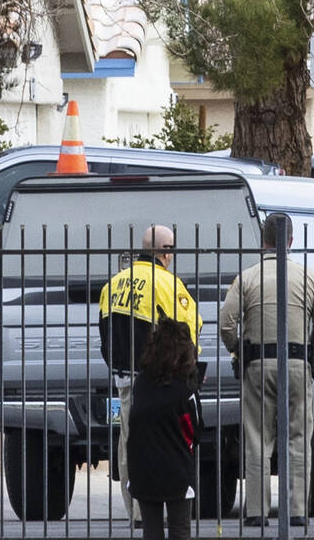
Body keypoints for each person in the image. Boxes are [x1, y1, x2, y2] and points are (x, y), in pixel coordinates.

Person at [219, 212, 314, 527]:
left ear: (263, 241)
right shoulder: (310, 278)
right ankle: (296, 510)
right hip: (296, 362)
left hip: (257, 362)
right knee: (298, 435)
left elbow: (227, 323)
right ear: (290, 241)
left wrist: (238, 347)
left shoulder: (247, 277)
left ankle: (256, 510)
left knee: (256, 436)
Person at [99, 224, 202, 523]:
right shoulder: (167, 284)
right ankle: (157, 509)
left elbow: (105, 333)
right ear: (165, 252)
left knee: (128, 441)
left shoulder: (114, 284)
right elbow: (190, 329)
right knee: (164, 442)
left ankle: (136, 510)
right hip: (158, 377)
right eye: (172, 250)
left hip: (123, 376)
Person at [127, 317, 203, 540]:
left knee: (151, 531)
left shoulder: (140, 383)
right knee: (180, 530)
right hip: (175, 470)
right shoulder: (184, 389)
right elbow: (195, 430)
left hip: (142, 470)